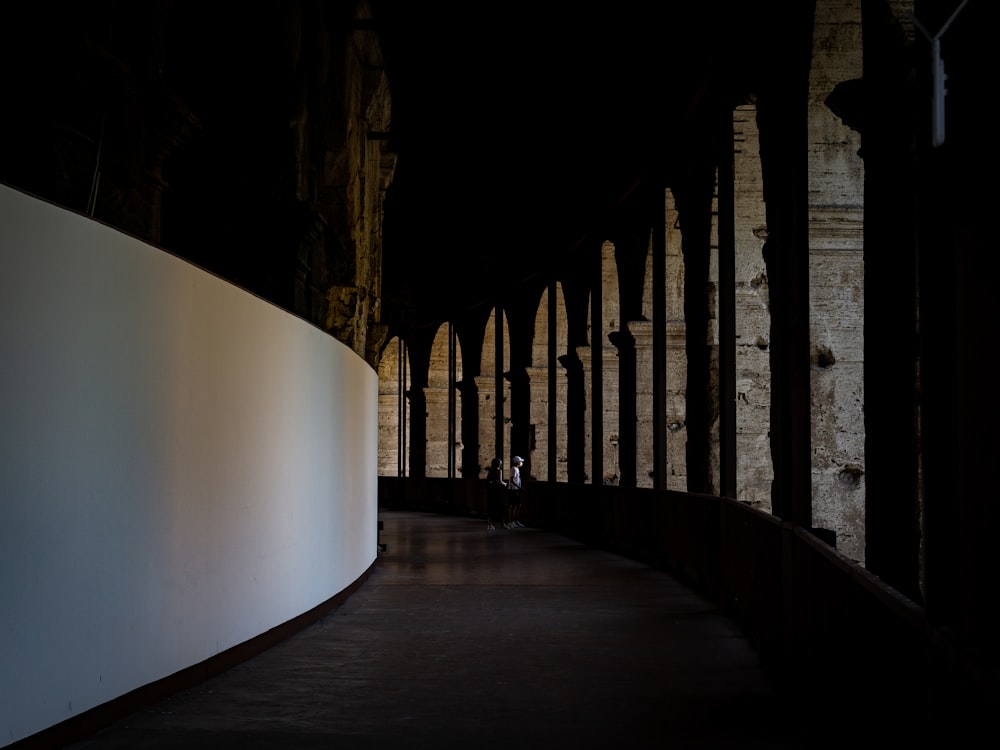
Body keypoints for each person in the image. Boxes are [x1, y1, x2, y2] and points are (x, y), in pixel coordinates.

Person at [485, 458, 506, 531]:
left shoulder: (491, 470)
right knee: (502, 506)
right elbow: (500, 482)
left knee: (491, 507)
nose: (501, 464)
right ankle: (503, 524)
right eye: (500, 463)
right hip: (498, 490)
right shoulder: (499, 471)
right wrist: (506, 484)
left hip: (491, 491)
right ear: (498, 464)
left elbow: (488, 481)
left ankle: (489, 524)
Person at [507, 455, 524, 528]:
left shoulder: (516, 469)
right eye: (520, 461)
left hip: (516, 489)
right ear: (517, 462)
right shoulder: (514, 469)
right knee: (513, 506)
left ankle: (516, 521)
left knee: (518, 506)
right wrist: (520, 487)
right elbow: (512, 480)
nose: (521, 463)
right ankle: (511, 522)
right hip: (514, 490)